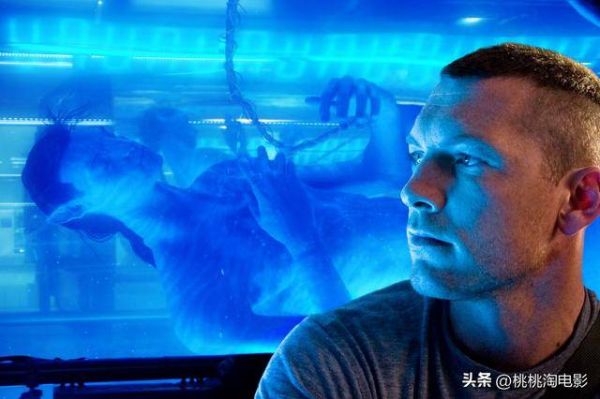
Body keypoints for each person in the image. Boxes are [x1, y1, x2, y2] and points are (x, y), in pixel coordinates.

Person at [255, 42, 600, 399]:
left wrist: (304, 244)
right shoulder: (330, 363)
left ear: (580, 200)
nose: (412, 190)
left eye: (468, 159)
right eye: (417, 155)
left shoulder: (347, 361)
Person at [19, 76, 413, 353]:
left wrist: (382, 112)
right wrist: (302, 241)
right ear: (77, 209)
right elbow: (350, 356)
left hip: (447, 217)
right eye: (104, 164)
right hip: (444, 300)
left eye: (109, 138)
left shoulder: (225, 175)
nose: (125, 149)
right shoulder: (199, 312)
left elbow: (384, 177)